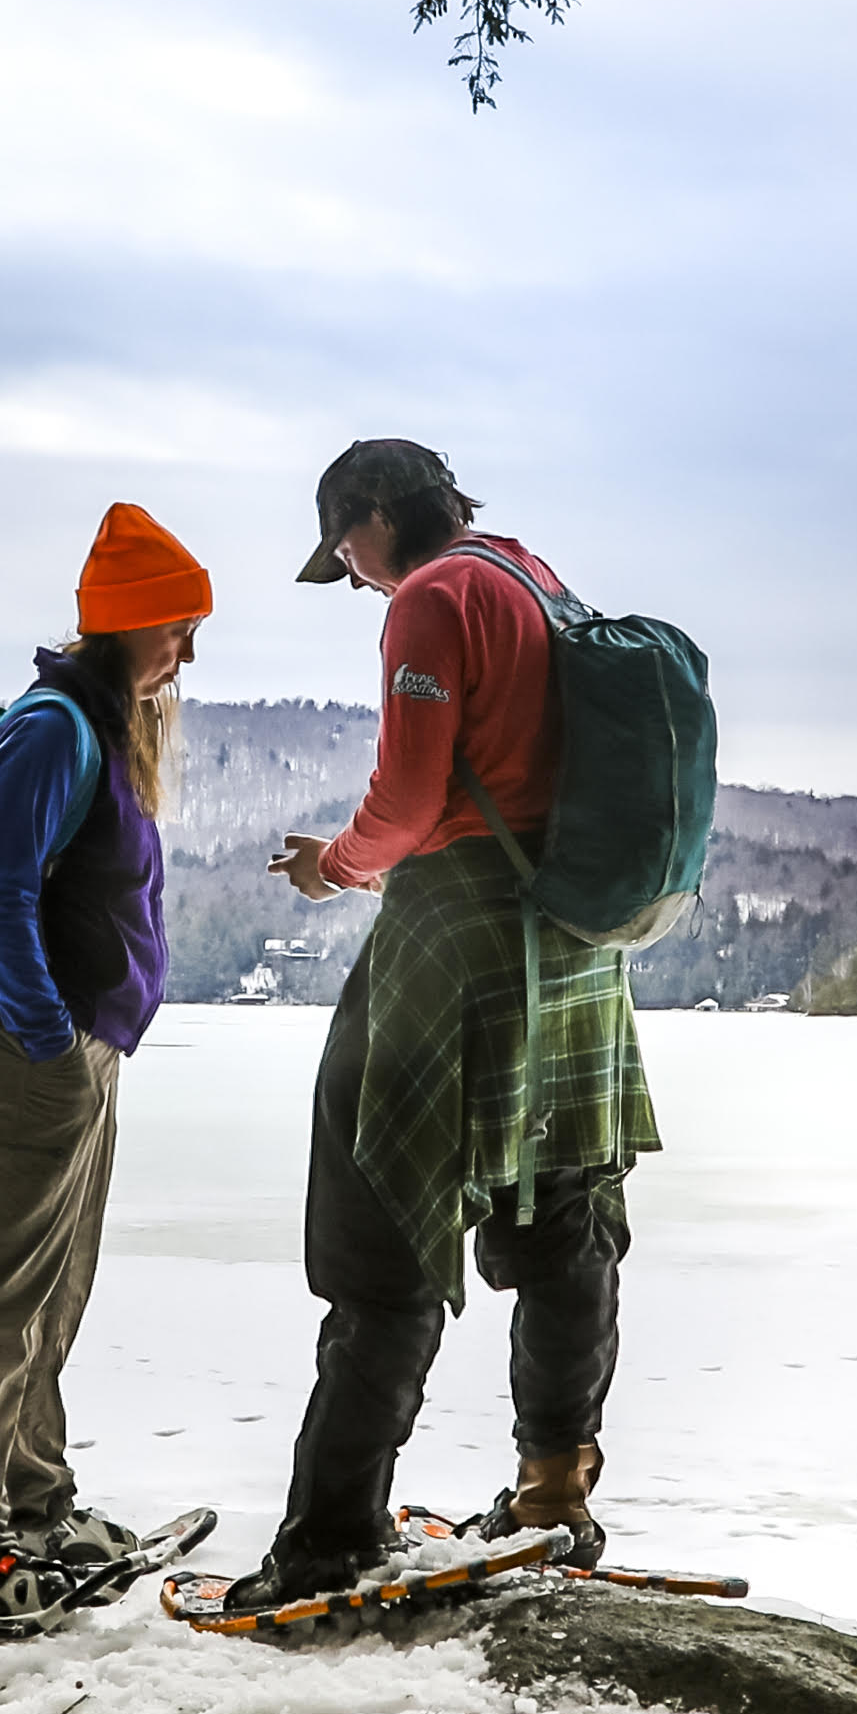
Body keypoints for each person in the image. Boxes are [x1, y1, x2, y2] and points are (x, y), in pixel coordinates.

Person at [228, 435, 654, 1614]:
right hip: (570, 939)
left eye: (346, 550)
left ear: (376, 513)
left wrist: (339, 866)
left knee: (377, 1222)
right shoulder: (531, 575)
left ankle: (328, 1537)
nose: (354, 577)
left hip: (458, 934)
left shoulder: (431, 599)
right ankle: (553, 1489)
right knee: (564, 1211)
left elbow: (413, 802)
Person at [0, 501, 217, 1628]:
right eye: (176, 626)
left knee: (53, 1287)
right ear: (127, 620)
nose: (185, 651)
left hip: (83, 1052)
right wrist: (42, 1033)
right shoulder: (54, 729)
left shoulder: (102, 725)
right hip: (30, 1052)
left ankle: (31, 1496)